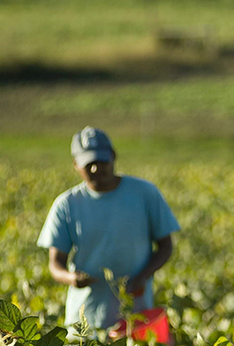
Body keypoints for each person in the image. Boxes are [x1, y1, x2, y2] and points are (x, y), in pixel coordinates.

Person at [37, 127, 180, 333]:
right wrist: (72, 278)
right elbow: (55, 264)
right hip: (85, 319)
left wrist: (143, 276)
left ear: (113, 156)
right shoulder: (67, 204)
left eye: (101, 161)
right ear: (76, 164)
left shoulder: (144, 193)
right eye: (89, 164)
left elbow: (166, 246)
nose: (96, 169)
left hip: (136, 316)